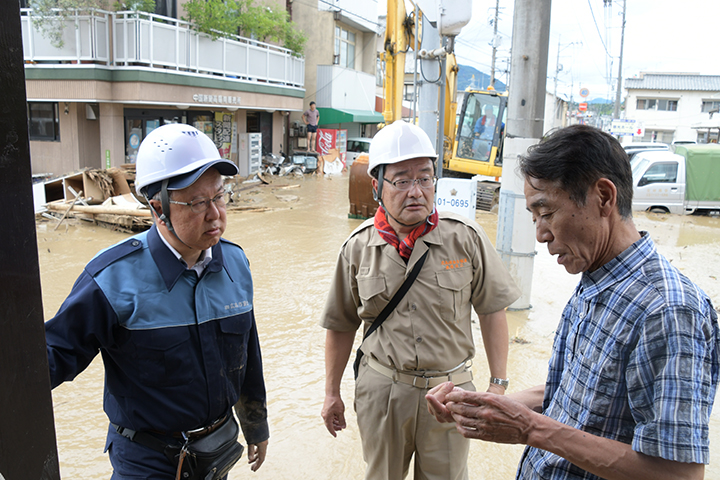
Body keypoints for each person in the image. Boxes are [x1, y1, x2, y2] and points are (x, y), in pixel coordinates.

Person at [427, 124, 720, 480]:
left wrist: (531, 430)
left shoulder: (670, 311)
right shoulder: (595, 280)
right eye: (534, 218)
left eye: (546, 213)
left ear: (603, 198)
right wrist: (480, 408)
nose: (540, 234)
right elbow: (573, 393)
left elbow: (680, 475)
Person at [44, 123, 269, 479]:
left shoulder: (236, 265)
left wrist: (256, 424)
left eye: (219, 196)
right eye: (197, 202)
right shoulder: (111, 280)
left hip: (216, 453)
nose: (215, 215)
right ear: (157, 208)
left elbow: (247, 353)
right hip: (147, 462)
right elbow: (49, 358)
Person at [320, 120, 521, 480]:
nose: (416, 191)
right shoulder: (357, 247)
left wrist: (498, 385)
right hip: (382, 391)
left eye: (425, 178)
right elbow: (340, 326)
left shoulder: (466, 239)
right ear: (377, 185)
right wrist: (331, 393)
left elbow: (493, 310)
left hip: (451, 393)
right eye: (401, 180)